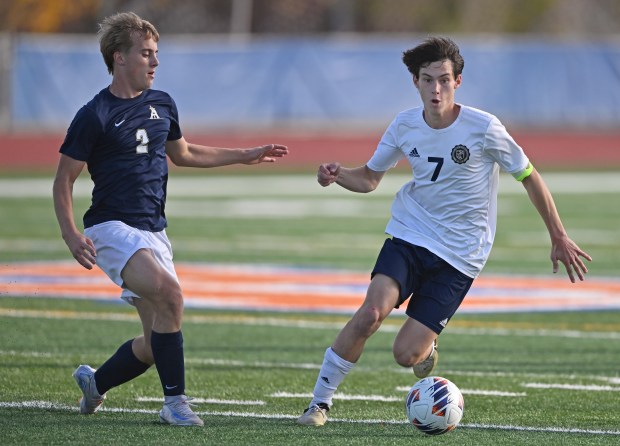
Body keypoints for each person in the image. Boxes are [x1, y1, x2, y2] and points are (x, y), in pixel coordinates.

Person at [297, 36, 591, 426]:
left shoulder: (484, 127)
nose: (436, 89)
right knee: (370, 313)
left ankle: (427, 346)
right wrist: (338, 176)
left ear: (458, 82)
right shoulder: (404, 124)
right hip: (410, 235)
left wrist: (558, 234)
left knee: (406, 355)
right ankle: (319, 403)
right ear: (415, 83)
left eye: (444, 80)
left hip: (461, 256)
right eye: (427, 80)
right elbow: (369, 179)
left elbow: (528, 175)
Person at [52, 12, 288, 427]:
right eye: (146, 54)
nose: (155, 62)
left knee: (151, 342)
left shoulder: (163, 103)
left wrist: (245, 154)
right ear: (119, 57)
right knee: (172, 295)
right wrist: (71, 234)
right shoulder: (95, 114)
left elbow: (185, 154)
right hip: (110, 228)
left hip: (154, 232)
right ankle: (175, 403)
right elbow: (63, 181)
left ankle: (96, 383)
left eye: (156, 53)